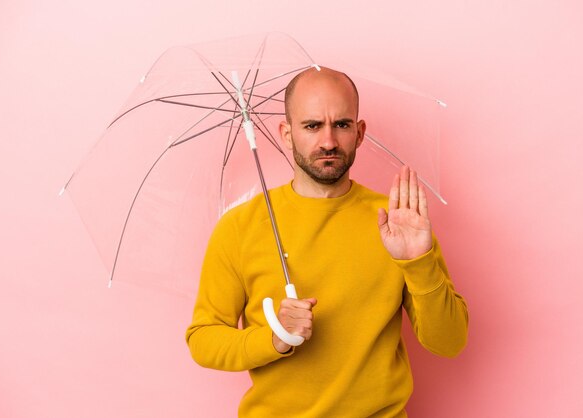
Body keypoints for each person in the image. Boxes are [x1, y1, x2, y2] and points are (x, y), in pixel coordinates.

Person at [185, 67, 468, 417]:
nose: (329, 141)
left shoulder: (398, 221)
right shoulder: (240, 226)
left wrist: (420, 263)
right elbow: (203, 339)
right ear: (287, 134)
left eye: (343, 125)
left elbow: (449, 342)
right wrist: (274, 338)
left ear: (360, 133)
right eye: (312, 125)